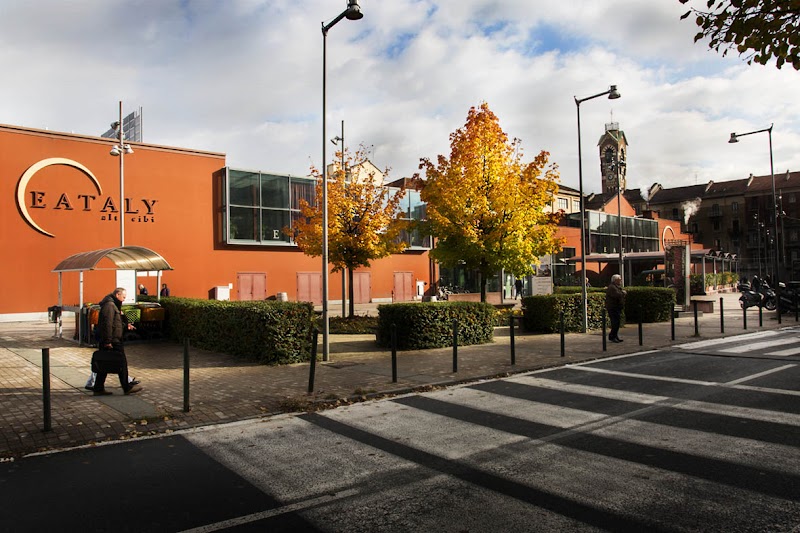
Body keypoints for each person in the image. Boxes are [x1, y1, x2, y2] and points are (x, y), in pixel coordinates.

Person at [92, 287, 142, 396]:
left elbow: (115, 322)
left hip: (112, 339)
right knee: (121, 363)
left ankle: (98, 388)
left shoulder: (113, 304)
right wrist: (108, 341)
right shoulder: (110, 305)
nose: (124, 299)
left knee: (104, 362)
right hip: (113, 340)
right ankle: (126, 387)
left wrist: (125, 325)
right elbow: (107, 324)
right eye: (123, 297)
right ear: (117, 295)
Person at [605, 274, 626, 343]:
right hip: (613, 307)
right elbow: (617, 295)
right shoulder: (612, 287)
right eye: (619, 279)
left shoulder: (616, 287)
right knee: (615, 322)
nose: (620, 280)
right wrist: (623, 293)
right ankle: (612, 336)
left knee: (617, 322)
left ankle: (615, 336)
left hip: (617, 307)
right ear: (615, 280)